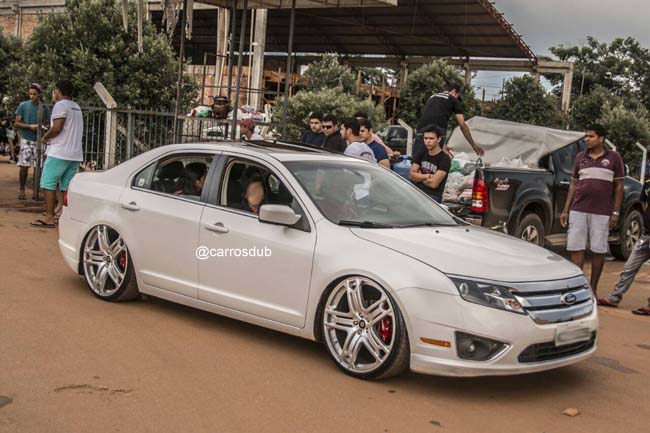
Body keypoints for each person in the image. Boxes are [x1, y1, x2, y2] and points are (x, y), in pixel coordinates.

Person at [560, 124, 625, 295]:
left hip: (602, 212)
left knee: (598, 249)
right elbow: (574, 184)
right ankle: (579, 288)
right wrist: (566, 209)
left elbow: (619, 186)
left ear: (601, 138)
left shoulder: (614, 158)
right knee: (576, 247)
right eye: (586, 136)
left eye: (590, 136)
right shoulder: (580, 157)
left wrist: (615, 212)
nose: (587, 139)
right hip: (578, 209)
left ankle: (593, 289)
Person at [31, 80, 83, 228]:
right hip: (75, 154)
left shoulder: (60, 105)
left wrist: (44, 137)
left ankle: (49, 217)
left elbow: (57, 128)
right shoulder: (76, 107)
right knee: (66, 186)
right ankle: (64, 215)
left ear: (58, 90)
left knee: (47, 182)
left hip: (60, 152)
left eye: (54, 91)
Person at [597, 177, 650, 315]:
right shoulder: (648, 182)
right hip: (646, 235)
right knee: (629, 267)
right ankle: (614, 298)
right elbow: (643, 202)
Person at [414, 82, 483, 157]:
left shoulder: (432, 97)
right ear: (454, 91)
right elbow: (462, 125)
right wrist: (474, 146)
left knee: (417, 159)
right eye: (457, 96)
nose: (457, 98)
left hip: (421, 130)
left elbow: (431, 118)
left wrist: (442, 145)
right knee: (434, 160)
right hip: (439, 130)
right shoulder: (453, 99)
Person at [14, 83, 51, 200]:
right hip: (26, 139)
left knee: (38, 167)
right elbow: (16, 122)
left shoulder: (44, 107)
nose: (32, 96)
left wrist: (43, 127)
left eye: (34, 94)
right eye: (30, 94)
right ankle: (22, 190)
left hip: (40, 140)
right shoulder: (23, 105)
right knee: (24, 166)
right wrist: (29, 126)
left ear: (39, 94)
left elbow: (48, 124)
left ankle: (36, 192)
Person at [409, 125, 452, 202]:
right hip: (417, 192)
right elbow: (411, 175)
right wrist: (427, 176)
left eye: (431, 138)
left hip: (432, 197)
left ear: (438, 139)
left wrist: (419, 176)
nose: (428, 141)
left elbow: (433, 184)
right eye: (425, 138)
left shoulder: (444, 159)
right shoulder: (422, 153)